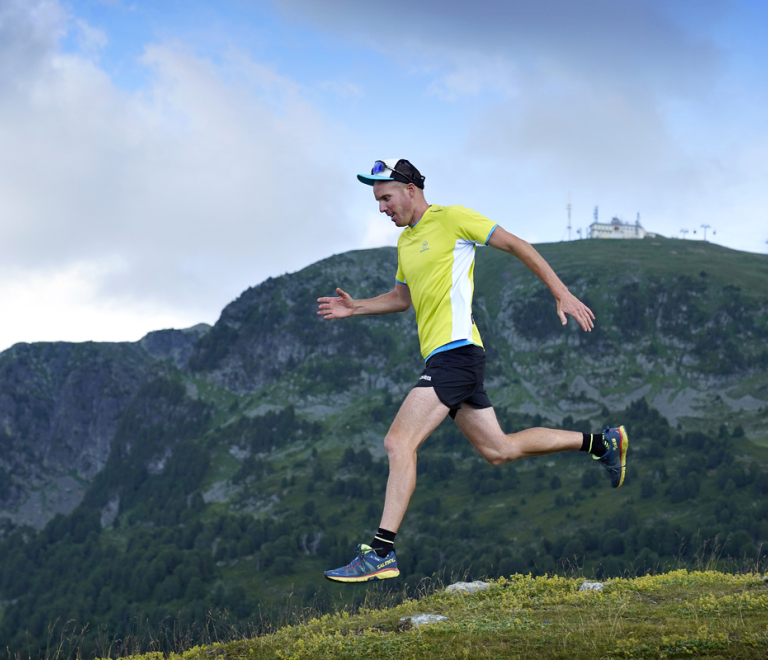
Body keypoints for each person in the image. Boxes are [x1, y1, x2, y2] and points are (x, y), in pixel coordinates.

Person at [317, 159, 628, 583]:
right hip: (447, 359)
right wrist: (357, 307)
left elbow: (517, 245)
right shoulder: (406, 244)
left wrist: (562, 293)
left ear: (411, 190)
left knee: (397, 441)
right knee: (499, 450)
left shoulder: (454, 219)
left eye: (386, 198)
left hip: (458, 354)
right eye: (377, 201)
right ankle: (600, 442)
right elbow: (400, 298)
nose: (382, 208)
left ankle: (381, 552)